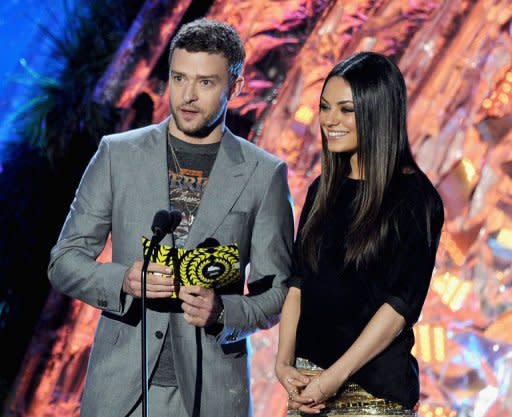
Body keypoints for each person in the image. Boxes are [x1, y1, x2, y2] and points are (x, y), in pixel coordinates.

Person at [48, 18, 294, 417]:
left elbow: (277, 293)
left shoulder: (263, 175)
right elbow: (64, 261)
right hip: (121, 391)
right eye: (179, 78)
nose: (188, 95)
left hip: (208, 395)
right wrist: (123, 280)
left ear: (235, 86)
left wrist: (223, 312)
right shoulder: (118, 154)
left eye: (206, 82)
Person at [275, 52, 444, 416]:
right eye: (324, 107)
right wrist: (283, 361)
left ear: (377, 112)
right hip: (308, 388)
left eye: (345, 110)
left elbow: (399, 307)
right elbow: (298, 281)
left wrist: (333, 378)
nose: (329, 120)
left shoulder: (416, 199)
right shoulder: (322, 190)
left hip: (372, 397)